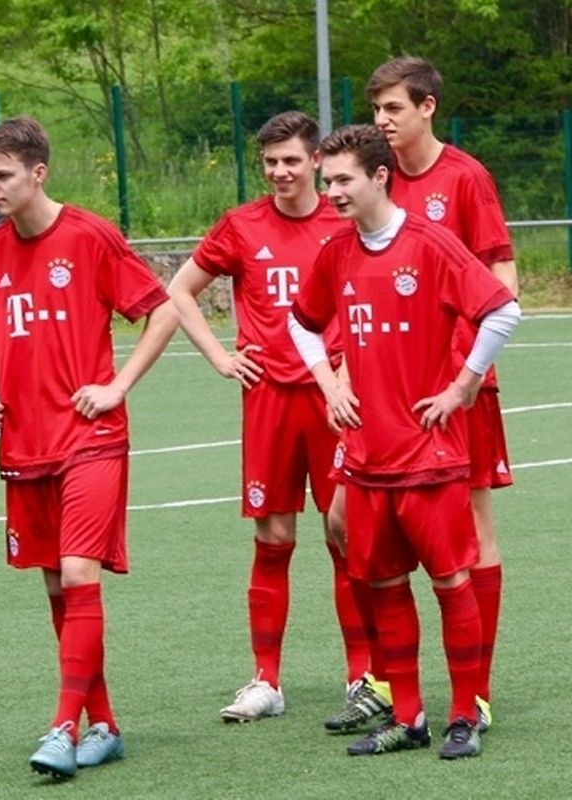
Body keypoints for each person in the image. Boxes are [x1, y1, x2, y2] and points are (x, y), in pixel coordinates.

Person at [290, 124, 520, 759]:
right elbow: (302, 323)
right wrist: (328, 384)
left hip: (428, 456)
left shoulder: (430, 243)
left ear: (379, 176)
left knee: (451, 583)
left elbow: (502, 309)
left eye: (343, 180)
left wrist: (463, 386)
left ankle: (465, 715)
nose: (332, 192)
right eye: (327, 181)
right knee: (386, 588)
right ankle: (410, 718)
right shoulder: (336, 253)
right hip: (367, 459)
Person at [167, 110, 389, 727]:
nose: (280, 172)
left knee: (344, 535)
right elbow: (179, 290)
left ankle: (362, 674)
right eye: (270, 162)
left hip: (336, 399)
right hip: (268, 399)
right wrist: (221, 357)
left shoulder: (344, 219)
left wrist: (351, 366)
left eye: (291, 160)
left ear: (316, 160)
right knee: (272, 538)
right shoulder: (241, 225)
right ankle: (266, 680)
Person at [0, 116, 179, 779]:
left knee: (79, 575)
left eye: (2, 175)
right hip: (25, 442)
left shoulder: (89, 236)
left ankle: (63, 726)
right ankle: (104, 725)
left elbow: (164, 310)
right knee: (56, 585)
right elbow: (9, 337)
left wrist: (118, 386)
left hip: (91, 439)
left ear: (38, 173)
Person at [365, 55, 519, 732]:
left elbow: (502, 278)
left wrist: (468, 373)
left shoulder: (464, 177)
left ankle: (474, 691)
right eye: (376, 110)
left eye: (393, 108)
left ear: (427, 107)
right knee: (350, 525)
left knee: (472, 527)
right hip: (386, 389)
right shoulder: (375, 177)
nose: (382, 120)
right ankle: (383, 680)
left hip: (456, 389)